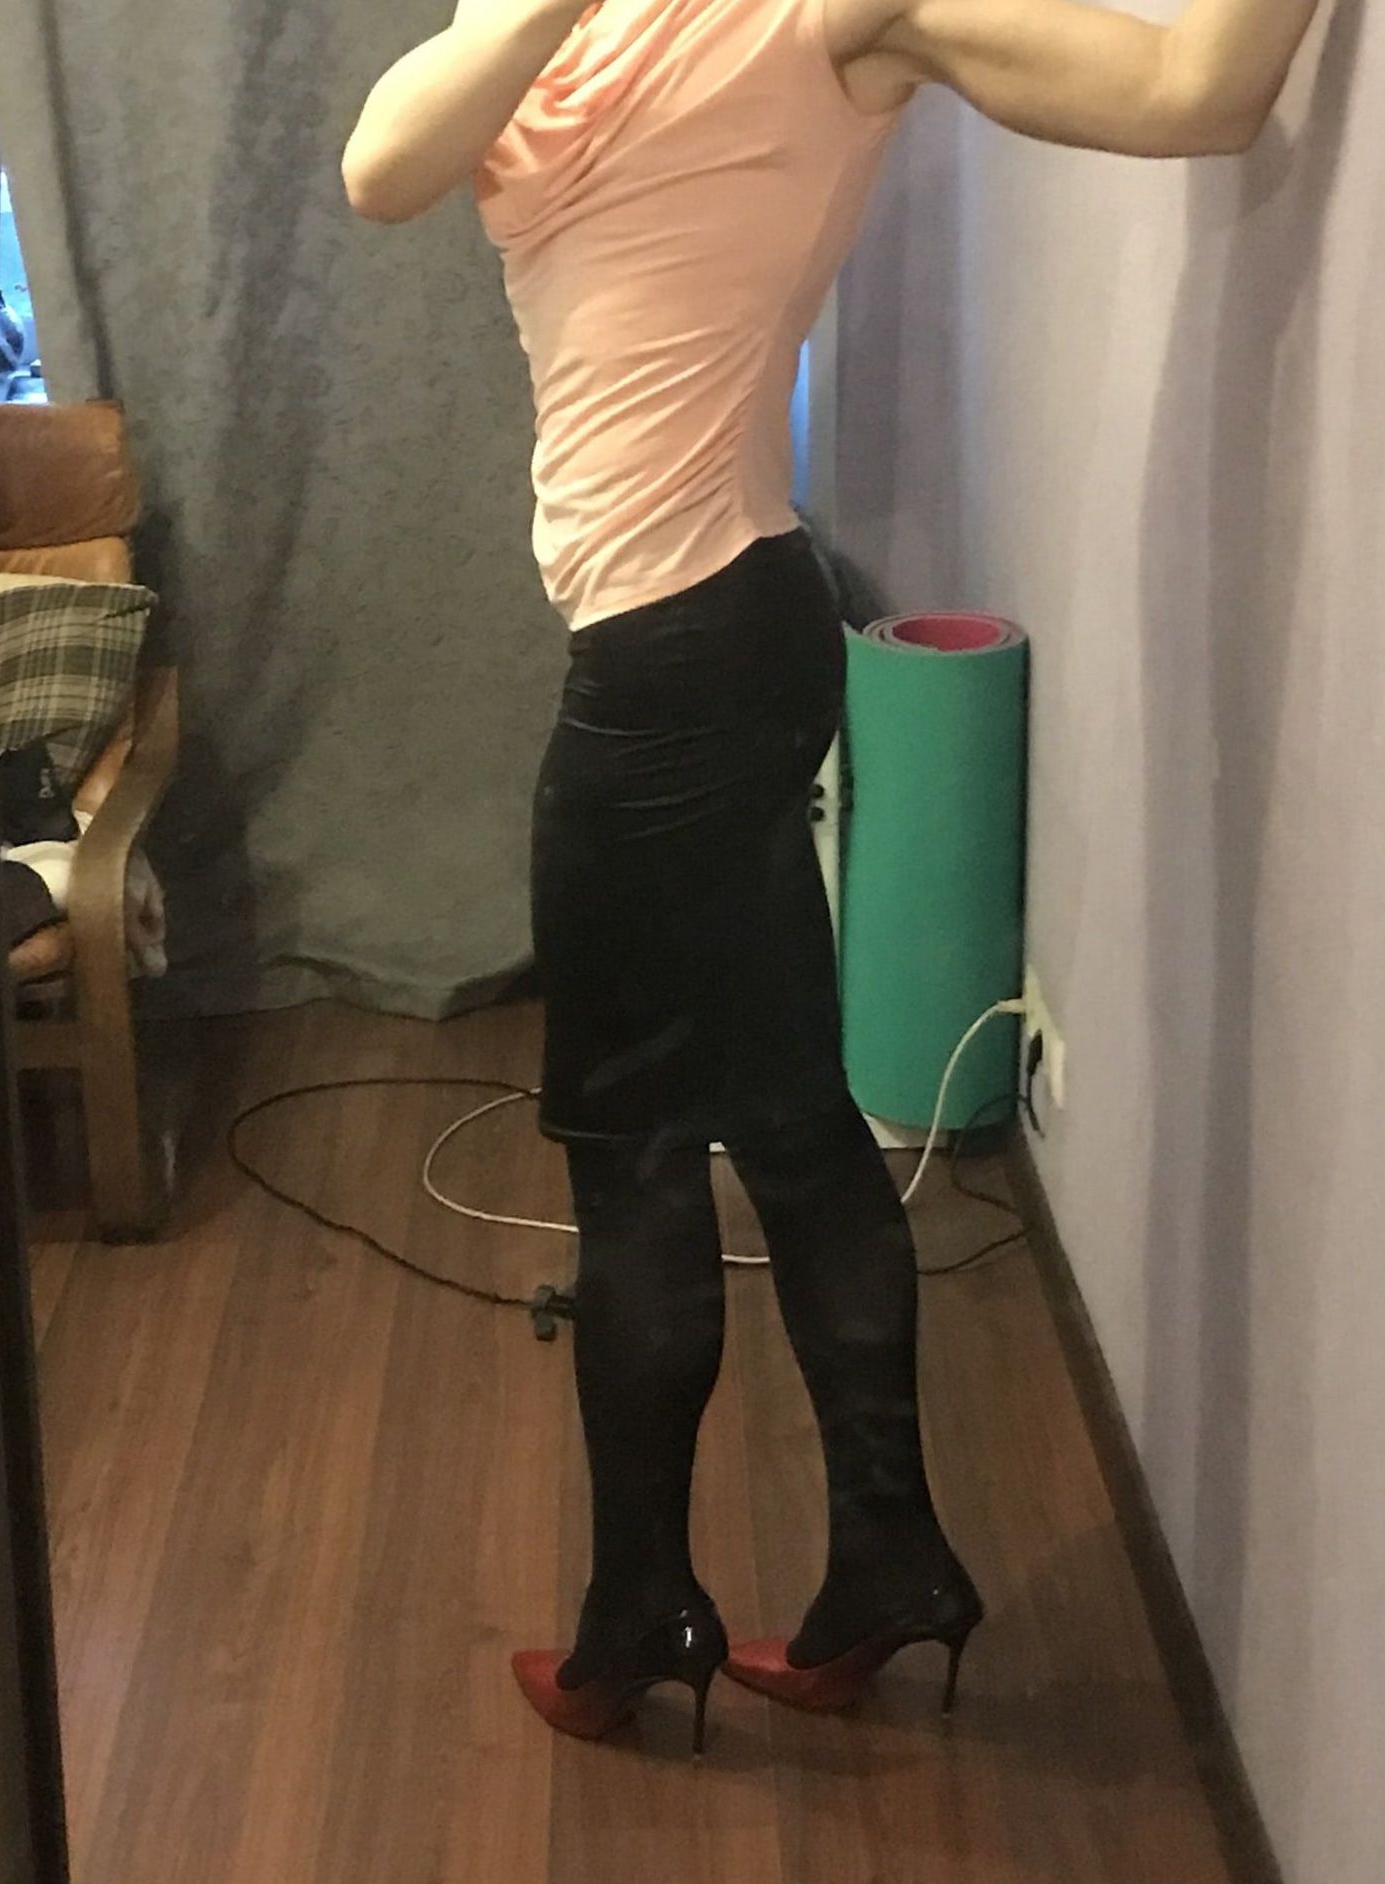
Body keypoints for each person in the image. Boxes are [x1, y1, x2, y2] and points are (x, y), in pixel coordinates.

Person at [344, 0, 1324, 1758]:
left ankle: (641, 1617)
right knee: (791, 1119)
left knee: (634, 1150)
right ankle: (887, 1560)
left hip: (677, 667)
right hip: (704, 640)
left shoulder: (825, 13)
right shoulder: (537, 20)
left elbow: (1203, 92)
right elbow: (380, 167)